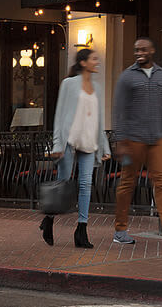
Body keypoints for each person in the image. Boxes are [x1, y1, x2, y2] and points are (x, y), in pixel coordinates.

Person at [112, 38, 162, 246]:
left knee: (161, 184)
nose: (139, 53)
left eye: (143, 49)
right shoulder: (127, 77)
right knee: (127, 184)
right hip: (132, 140)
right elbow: (119, 110)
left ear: (152, 50)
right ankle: (120, 230)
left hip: (156, 139)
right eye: (136, 50)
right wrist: (120, 140)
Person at [42, 48, 111, 248]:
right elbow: (59, 115)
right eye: (94, 59)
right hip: (69, 142)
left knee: (85, 186)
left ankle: (81, 230)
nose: (97, 62)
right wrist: (57, 143)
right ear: (83, 63)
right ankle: (49, 219)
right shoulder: (68, 84)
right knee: (63, 184)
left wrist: (104, 145)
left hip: (89, 141)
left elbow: (99, 118)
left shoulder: (98, 88)